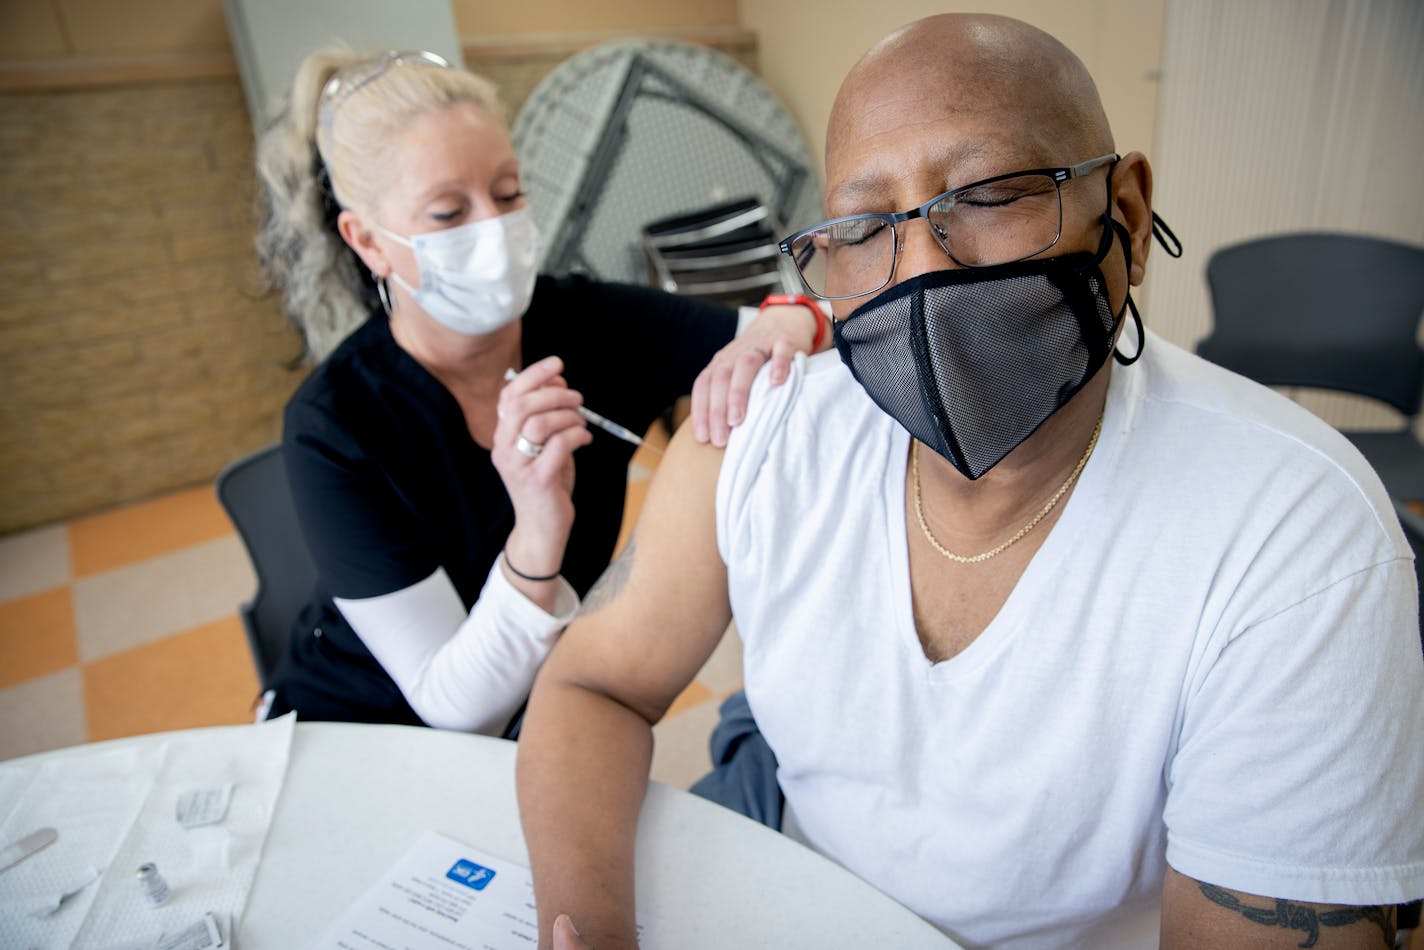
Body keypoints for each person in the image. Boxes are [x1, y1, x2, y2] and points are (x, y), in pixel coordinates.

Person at [515, 14, 1424, 949]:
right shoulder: (762, 434)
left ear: (1132, 217)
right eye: (867, 227)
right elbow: (594, 684)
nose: (923, 270)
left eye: (987, 194)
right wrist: (585, 930)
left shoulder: (1298, 540)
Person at [252, 48, 829, 733]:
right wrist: (538, 529)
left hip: (536, 710)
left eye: (507, 194)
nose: (491, 229)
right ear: (369, 242)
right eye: (447, 212)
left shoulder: (592, 325)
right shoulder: (337, 423)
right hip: (357, 729)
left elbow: (784, 333)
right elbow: (454, 706)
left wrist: (793, 320)